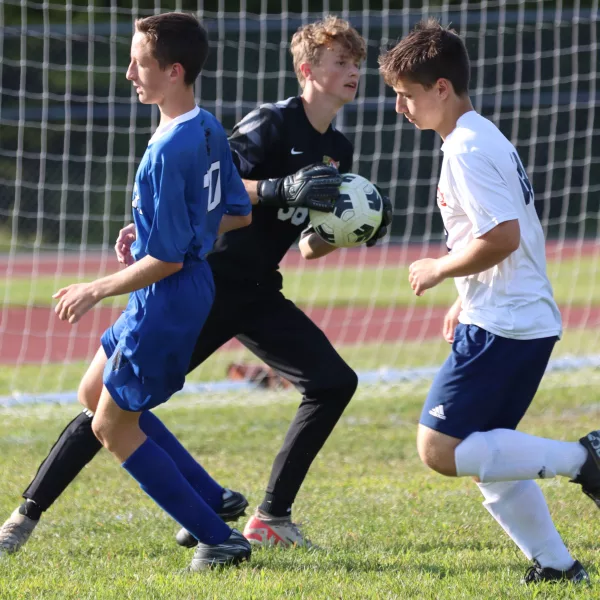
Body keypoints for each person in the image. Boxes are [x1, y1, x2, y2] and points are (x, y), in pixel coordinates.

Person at [0, 16, 391, 553]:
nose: (353, 72)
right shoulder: (270, 124)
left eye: (356, 63)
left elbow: (305, 242)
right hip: (206, 277)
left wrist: (349, 230)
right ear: (307, 69)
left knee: (333, 382)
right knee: (109, 404)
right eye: (340, 62)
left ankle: (270, 516)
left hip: (254, 290)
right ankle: (27, 515)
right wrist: (278, 187)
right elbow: (226, 184)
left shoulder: (338, 150)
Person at [378, 18, 598, 584]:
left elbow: (503, 235)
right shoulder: (478, 136)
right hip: (506, 315)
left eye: (407, 96)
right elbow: (500, 232)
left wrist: (438, 268)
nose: (401, 108)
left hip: (507, 326)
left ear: (442, 88)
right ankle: (556, 567)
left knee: (440, 449)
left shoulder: (468, 148)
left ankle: (587, 458)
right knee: (488, 453)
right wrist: (464, 292)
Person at [40, 12, 254, 571]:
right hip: (183, 286)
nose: (130, 71)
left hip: (167, 297)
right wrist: (166, 226)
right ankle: (213, 498)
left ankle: (219, 538)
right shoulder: (206, 125)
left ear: (174, 71)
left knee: (111, 426)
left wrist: (97, 287)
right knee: (95, 393)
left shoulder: (168, 149)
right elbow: (237, 212)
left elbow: (164, 260)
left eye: (141, 62)